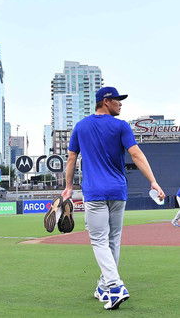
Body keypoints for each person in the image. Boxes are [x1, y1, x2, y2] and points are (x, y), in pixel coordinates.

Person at [62, 87, 165, 310]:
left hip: (95, 193)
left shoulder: (80, 126)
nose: (121, 104)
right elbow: (136, 154)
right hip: (118, 191)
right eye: (117, 100)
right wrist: (153, 181)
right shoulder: (121, 126)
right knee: (113, 240)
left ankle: (115, 286)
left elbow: (71, 159)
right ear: (106, 101)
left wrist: (69, 187)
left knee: (99, 240)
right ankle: (103, 286)